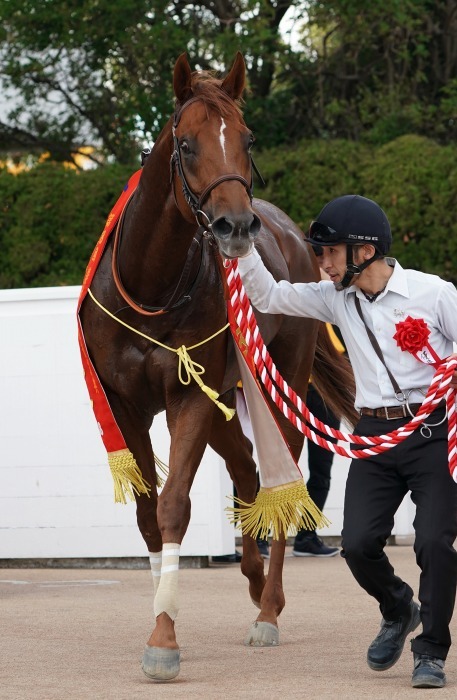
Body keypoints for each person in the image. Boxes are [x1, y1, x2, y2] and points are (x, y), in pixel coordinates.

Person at [236, 194, 457, 689]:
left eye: (331, 252)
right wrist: (244, 244)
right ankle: (399, 607)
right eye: (319, 254)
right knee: (356, 544)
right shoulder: (334, 298)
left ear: (365, 250)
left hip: (432, 430)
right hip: (376, 435)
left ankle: (431, 652)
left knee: (435, 543)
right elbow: (269, 296)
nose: (323, 263)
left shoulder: (434, 294)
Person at [293, 246, 344, 558]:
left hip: (325, 393)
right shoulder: (299, 299)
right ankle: (257, 537)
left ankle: (306, 535)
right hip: (294, 389)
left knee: (321, 467)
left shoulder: (338, 300)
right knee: (275, 463)